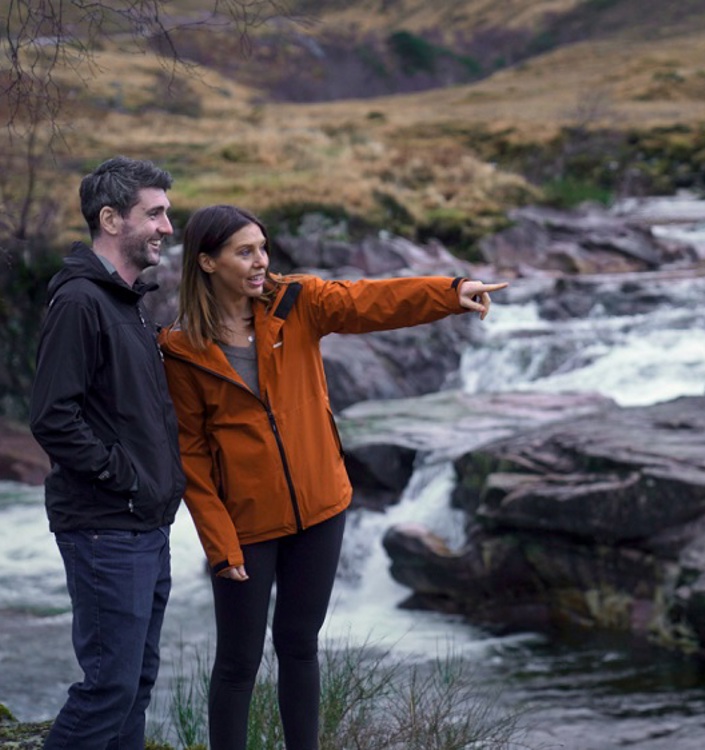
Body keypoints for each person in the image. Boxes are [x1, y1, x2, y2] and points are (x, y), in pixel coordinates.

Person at [157, 203, 507, 750]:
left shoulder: (297, 303)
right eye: (244, 252)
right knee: (237, 662)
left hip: (321, 510)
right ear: (206, 262)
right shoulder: (182, 349)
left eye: (262, 248)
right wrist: (222, 547)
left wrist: (450, 291)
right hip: (247, 526)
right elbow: (193, 457)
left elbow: (370, 301)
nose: (260, 262)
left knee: (299, 644)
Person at [29, 156, 187, 749]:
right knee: (108, 690)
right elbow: (53, 417)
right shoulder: (80, 302)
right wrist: (126, 478)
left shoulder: (124, 300)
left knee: (135, 685)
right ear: (111, 219)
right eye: (155, 213)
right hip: (105, 527)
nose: (167, 228)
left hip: (142, 524)